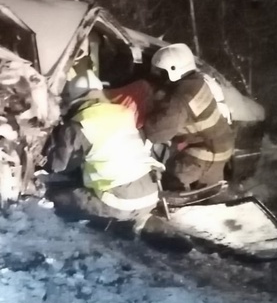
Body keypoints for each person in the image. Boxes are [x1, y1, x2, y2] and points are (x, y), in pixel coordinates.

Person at [44, 76, 160, 224]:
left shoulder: (79, 123)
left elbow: (59, 166)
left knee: (57, 197)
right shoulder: (124, 112)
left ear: (74, 99)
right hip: (150, 195)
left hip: (121, 203)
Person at [143, 43, 235, 193]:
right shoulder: (196, 82)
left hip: (204, 154)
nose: (156, 75)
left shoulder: (179, 99)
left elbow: (157, 133)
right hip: (222, 147)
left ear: (173, 71)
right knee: (208, 195)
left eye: (160, 72)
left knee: (170, 184)